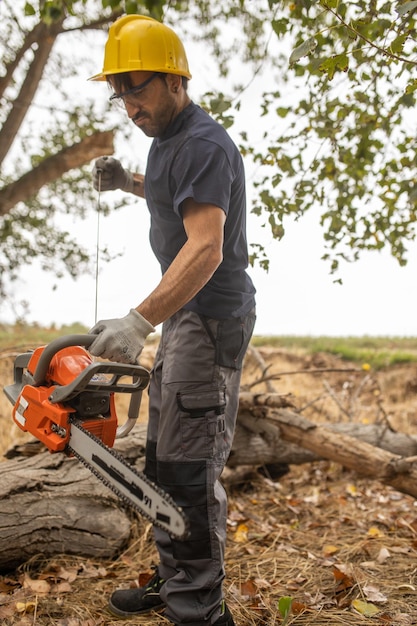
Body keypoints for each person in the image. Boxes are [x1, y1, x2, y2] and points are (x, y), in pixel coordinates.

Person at [88, 14, 256, 626]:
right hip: (187, 315)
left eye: (138, 88)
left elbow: (206, 247)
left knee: (189, 469)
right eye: (120, 92)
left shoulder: (203, 143)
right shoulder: (168, 141)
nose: (130, 105)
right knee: (163, 458)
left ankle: (201, 611)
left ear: (174, 79)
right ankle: (175, 583)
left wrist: (137, 322)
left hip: (208, 319)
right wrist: (129, 183)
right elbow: (175, 194)